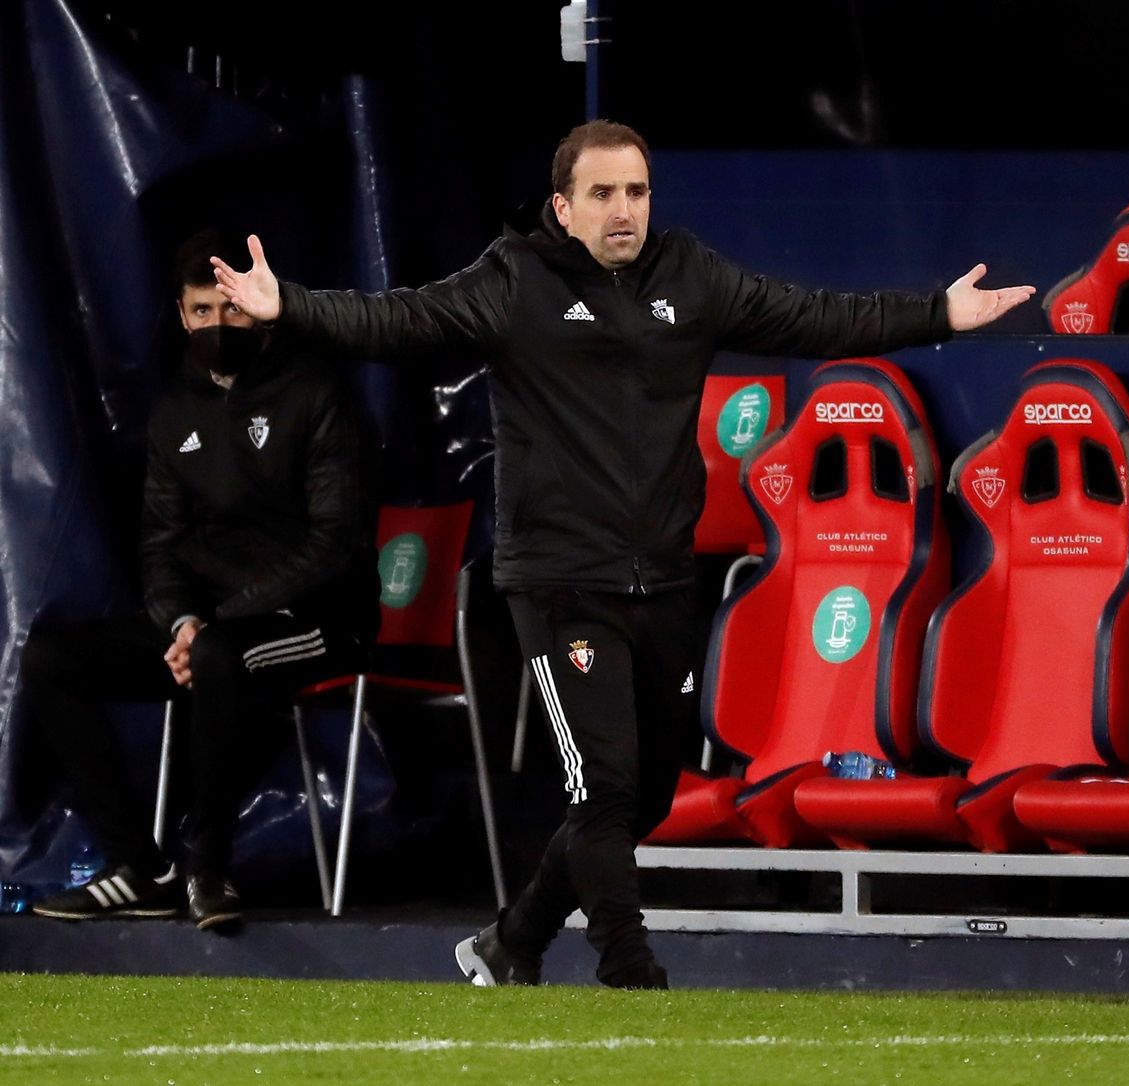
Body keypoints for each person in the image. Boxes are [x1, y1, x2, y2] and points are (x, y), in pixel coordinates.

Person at [210, 119, 1034, 988]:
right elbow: (398, 320)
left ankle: (512, 939)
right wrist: (288, 306)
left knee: (641, 797)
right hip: (560, 584)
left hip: (664, 579)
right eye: (602, 194)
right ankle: (628, 970)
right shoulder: (512, 280)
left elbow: (812, 316)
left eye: (636, 192)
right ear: (563, 207)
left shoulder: (692, 275)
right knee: (602, 789)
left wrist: (938, 311)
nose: (623, 210)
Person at [25, 230, 377, 930]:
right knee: (52, 660)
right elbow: (159, 544)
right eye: (203, 311)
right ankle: (141, 866)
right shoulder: (174, 410)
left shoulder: (316, 392)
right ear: (182, 317)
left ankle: (207, 866)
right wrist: (182, 623)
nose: (221, 324)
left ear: (258, 305)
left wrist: (219, 624)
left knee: (220, 656)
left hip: (316, 622)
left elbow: (335, 543)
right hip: (212, 627)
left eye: (233, 308)